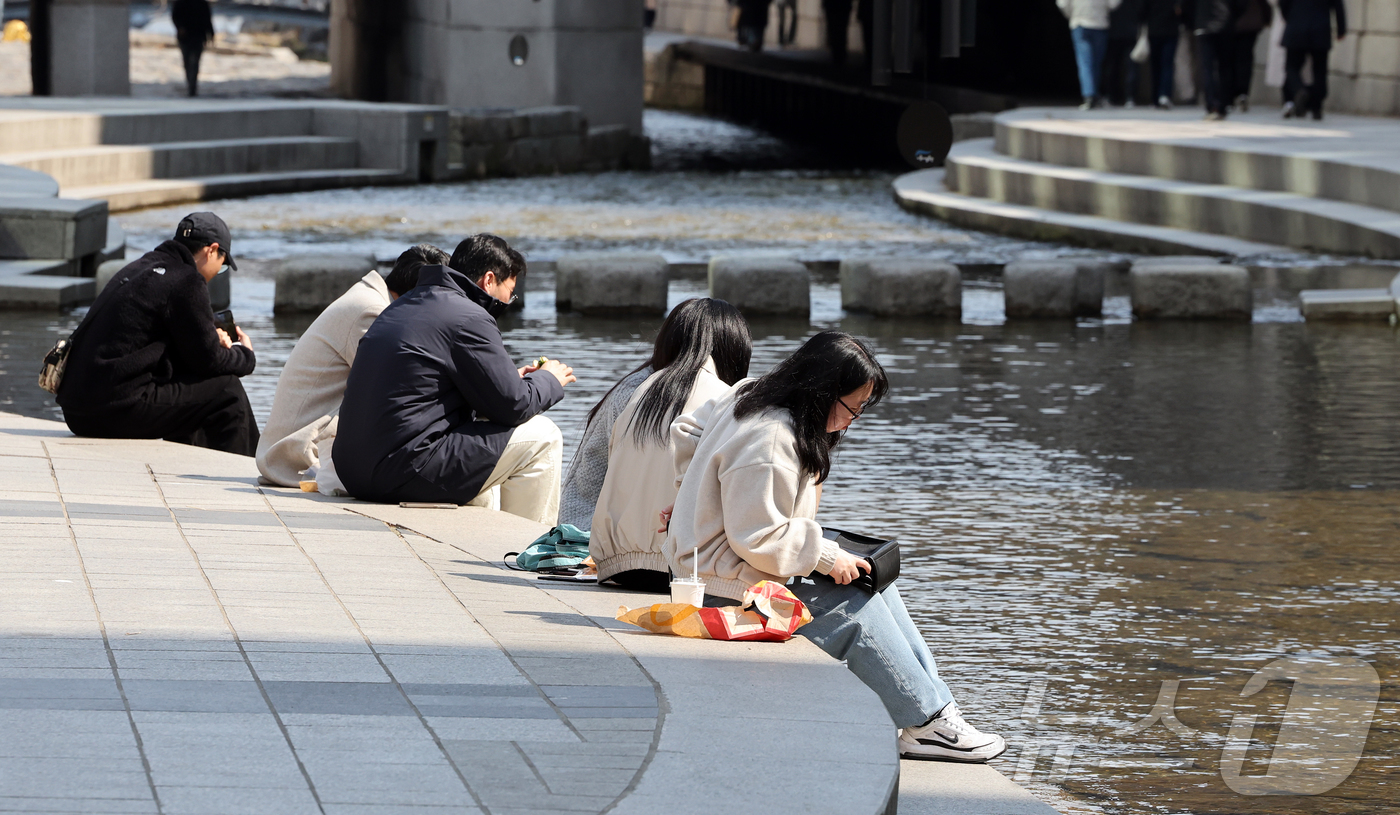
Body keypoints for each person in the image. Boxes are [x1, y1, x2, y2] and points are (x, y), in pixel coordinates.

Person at [663, 331, 1006, 762]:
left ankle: (936, 709)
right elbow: (759, 537)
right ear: (823, 390)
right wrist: (825, 556)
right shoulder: (771, 439)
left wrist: (691, 493)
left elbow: (689, 428)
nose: (852, 420)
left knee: (873, 582)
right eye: (853, 407)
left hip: (723, 567)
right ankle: (925, 719)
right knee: (850, 607)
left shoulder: (751, 393)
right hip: (723, 588)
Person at [333, 234, 575, 523]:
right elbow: (514, 405)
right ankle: (530, 548)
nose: (508, 302)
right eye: (509, 292)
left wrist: (510, 378)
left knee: (484, 440)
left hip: (353, 470)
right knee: (543, 437)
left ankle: (483, 536)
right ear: (488, 280)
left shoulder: (404, 304)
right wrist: (549, 379)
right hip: (398, 471)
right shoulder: (470, 316)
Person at [560, 299, 752, 593]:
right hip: (682, 572)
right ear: (734, 350)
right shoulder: (726, 400)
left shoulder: (635, 390)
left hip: (615, 566)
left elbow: (589, 481)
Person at [57, 212, 257, 456]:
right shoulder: (187, 280)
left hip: (77, 410)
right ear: (211, 250)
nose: (218, 271)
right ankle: (244, 472)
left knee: (191, 381)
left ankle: (190, 463)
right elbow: (209, 361)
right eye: (223, 265)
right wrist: (245, 354)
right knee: (227, 390)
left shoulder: (142, 266)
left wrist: (209, 336)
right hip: (110, 411)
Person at [255, 244, 446, 489]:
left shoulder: (370, 298)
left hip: (295, 445)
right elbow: (400, 390)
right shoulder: (374, 312)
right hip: (297, 457)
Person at [1279, 0, 1346, 120]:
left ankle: (1299, 90)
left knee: (1291, 67)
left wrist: (1289, 17)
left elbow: (1283, 3)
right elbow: (1338, 5)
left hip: (1296, 27)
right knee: (1320, 70)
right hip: (1320, 29)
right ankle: (1317, 107)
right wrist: (1341, 29)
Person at [1058, 0, 1123, 110]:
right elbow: (1113, 3)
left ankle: (1089, 95)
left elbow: (1062, 3)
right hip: (1100, 24)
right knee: (1096, 62)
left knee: (1085, 62)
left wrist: (1072, 14)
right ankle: (1093, 94)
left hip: (1080, 23)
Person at [1187, 0, 1239, 120]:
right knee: (1225, 67)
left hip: (1204, 26)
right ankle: (1224, 104)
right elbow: (1240, 5)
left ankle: (1212, 104)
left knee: (1207, 68)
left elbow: (1188, 5)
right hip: (1225, 25)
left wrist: (1194, 22)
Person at [1223, 0, 1272, 111]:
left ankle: (1231, 96)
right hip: (1251, 23)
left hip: (1232, 24)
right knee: (1245, 59)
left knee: (1230, 61)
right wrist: (1267, 19)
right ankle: (1242, 92)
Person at [1103, 0, 1146, 107]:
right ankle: (1130, 97)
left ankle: (1111, 96)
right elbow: (1142, 10)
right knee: (1131, 67)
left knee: (1113, 67)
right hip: (1130, 32)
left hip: (1114, 32)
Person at [172, 0, 215, 97]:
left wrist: (211, 34)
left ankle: (192, 86)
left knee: (194, 61)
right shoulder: (181, 2)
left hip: (197, 36)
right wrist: (180, 27)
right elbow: (175, 16)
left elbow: (207, 19)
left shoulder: (202, 3)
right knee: (188, 61)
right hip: (186, 36)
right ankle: (190, 83)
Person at [1145, 0, 1182, 108]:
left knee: (1155, 65)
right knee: (1167, 64)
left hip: (1154, 30)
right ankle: (1164, 95)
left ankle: (1156, 97)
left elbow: (1142, 11)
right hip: (1170, 30)